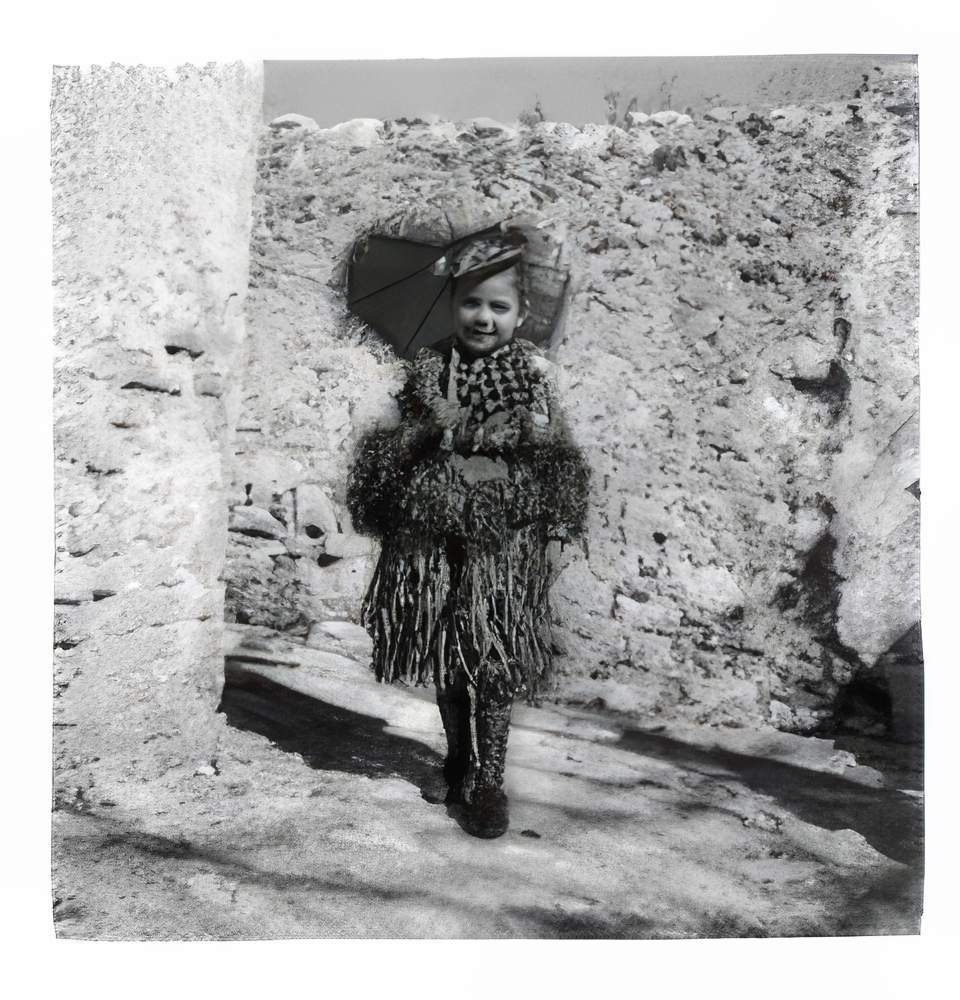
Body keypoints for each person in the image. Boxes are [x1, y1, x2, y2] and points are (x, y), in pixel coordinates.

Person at [347, 233, 590, 838]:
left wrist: (533, 437)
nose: (484, 318)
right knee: (449, 651)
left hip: (503, 541)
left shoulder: (532, 378)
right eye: (471, 304)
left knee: (495, 655)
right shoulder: (429, 371)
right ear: (452, 306)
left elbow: (557, 455)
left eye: (498, 307)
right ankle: (458, 761)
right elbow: (398, 447)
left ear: (520, 314)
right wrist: (430, 427)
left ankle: (490, 782)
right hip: (434, 536)